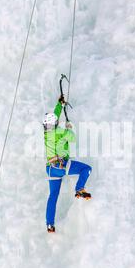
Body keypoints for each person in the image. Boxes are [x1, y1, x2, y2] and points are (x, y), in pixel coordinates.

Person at [43, 95, 92, 233]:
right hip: (61, 165)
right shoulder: (61, 132)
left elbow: (54, 117)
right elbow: (73, 137)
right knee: (86, 169)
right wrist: (69, 127)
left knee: (53, 196)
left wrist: (59, 105)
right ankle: (79, 188)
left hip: (51, 169)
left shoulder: (46, 133)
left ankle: (49, 224)